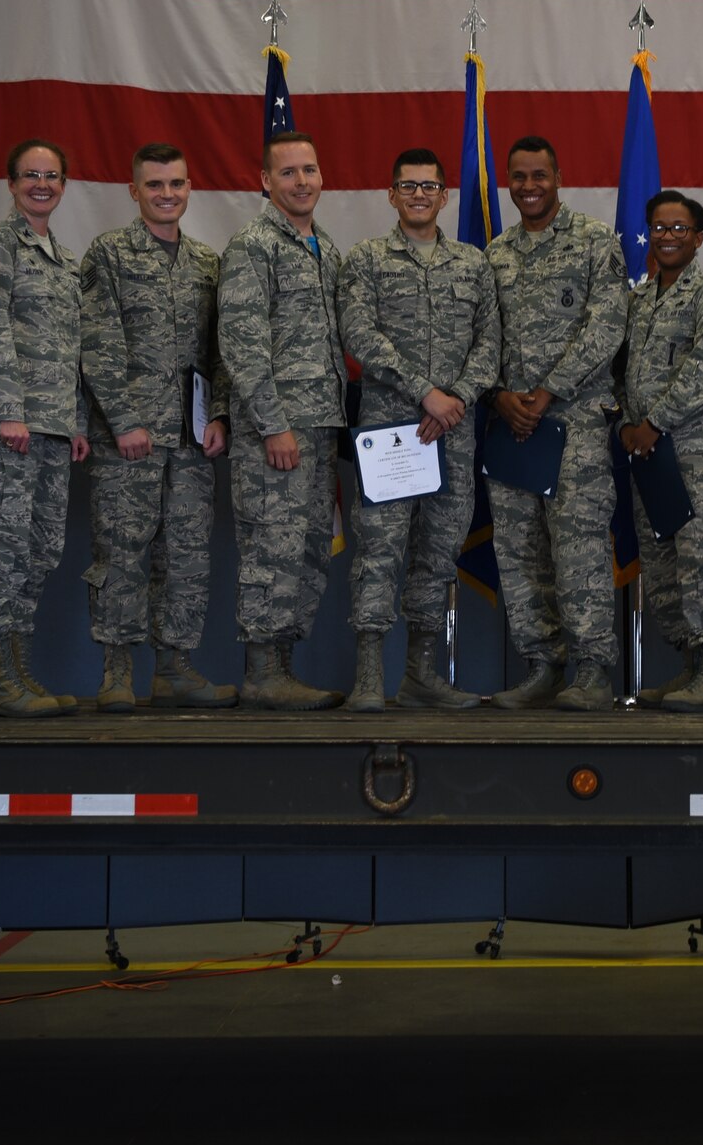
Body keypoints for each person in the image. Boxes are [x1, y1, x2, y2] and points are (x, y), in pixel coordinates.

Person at [337, 148, 499, 711]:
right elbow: (359, 333)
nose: (419, 195)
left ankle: (419, 674)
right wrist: (423, 391)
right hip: (390, 431)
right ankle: (367, 676)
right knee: (379, 551)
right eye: (408, 186)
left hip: (452, 434)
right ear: (391, 194)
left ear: (445, 195)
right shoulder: (365, 259)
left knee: (438, 552)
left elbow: (490, 345)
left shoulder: (473, 265)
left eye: (429, 186)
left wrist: (455, 398)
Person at [77, 144, 237, 713]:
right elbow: (96, 345)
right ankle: (116, 672)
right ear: (134, 190)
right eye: (155, 185)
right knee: (122, 552)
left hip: (192, 442)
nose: (167, 194)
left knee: (188, 556)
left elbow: (221, 351)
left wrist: (218, 413)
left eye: (176, 184)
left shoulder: (207, 262)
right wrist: (123, 421)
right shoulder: (110, 255)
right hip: (129, 440)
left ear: (190, 188)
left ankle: (174, 668)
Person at [484, 136, 629, 711]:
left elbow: (606, 327)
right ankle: (542, 664)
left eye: (539, 175)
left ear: (558, 175)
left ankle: (591, 669)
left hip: (575, 425)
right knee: (519, 549)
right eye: (518, 177)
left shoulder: (596, 243)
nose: (528, 186)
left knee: (578, 548)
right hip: (511, 425)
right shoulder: (494, 255)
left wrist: (546, 393)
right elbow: (480, 337)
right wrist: (498, 395)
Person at [217, 130, 349, 710]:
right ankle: (263, 672)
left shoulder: (328, 249)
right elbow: (242, 345)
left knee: (310, 548)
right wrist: (273, 425)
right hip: (277, 432)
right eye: (289, 172)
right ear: (266, 182)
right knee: (272, 549)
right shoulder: (253, 247)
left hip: (321, 430)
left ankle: (284, 669)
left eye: (310, 170)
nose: (302, 182)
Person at [0, 138, 89, 718]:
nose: (43, 184)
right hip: (6, 429)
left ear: (63, 185)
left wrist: (75, 422)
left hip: (52, 429)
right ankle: (2, 681)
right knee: (1, 551)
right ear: (11, 185)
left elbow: (71, 351)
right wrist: (8, 411)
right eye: (31, 175)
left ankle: (17, 676)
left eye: (53, 175)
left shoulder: (64, 262)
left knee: (39, 552)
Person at [620, 191, 703, 712]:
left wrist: (653, 423)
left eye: (679, 228)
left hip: (701, 456)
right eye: (659, 227)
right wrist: (631, 427)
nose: (668, 236)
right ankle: (690, 669)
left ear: (698, 237)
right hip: (651, 458)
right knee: (665, 567)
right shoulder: (641, 297)